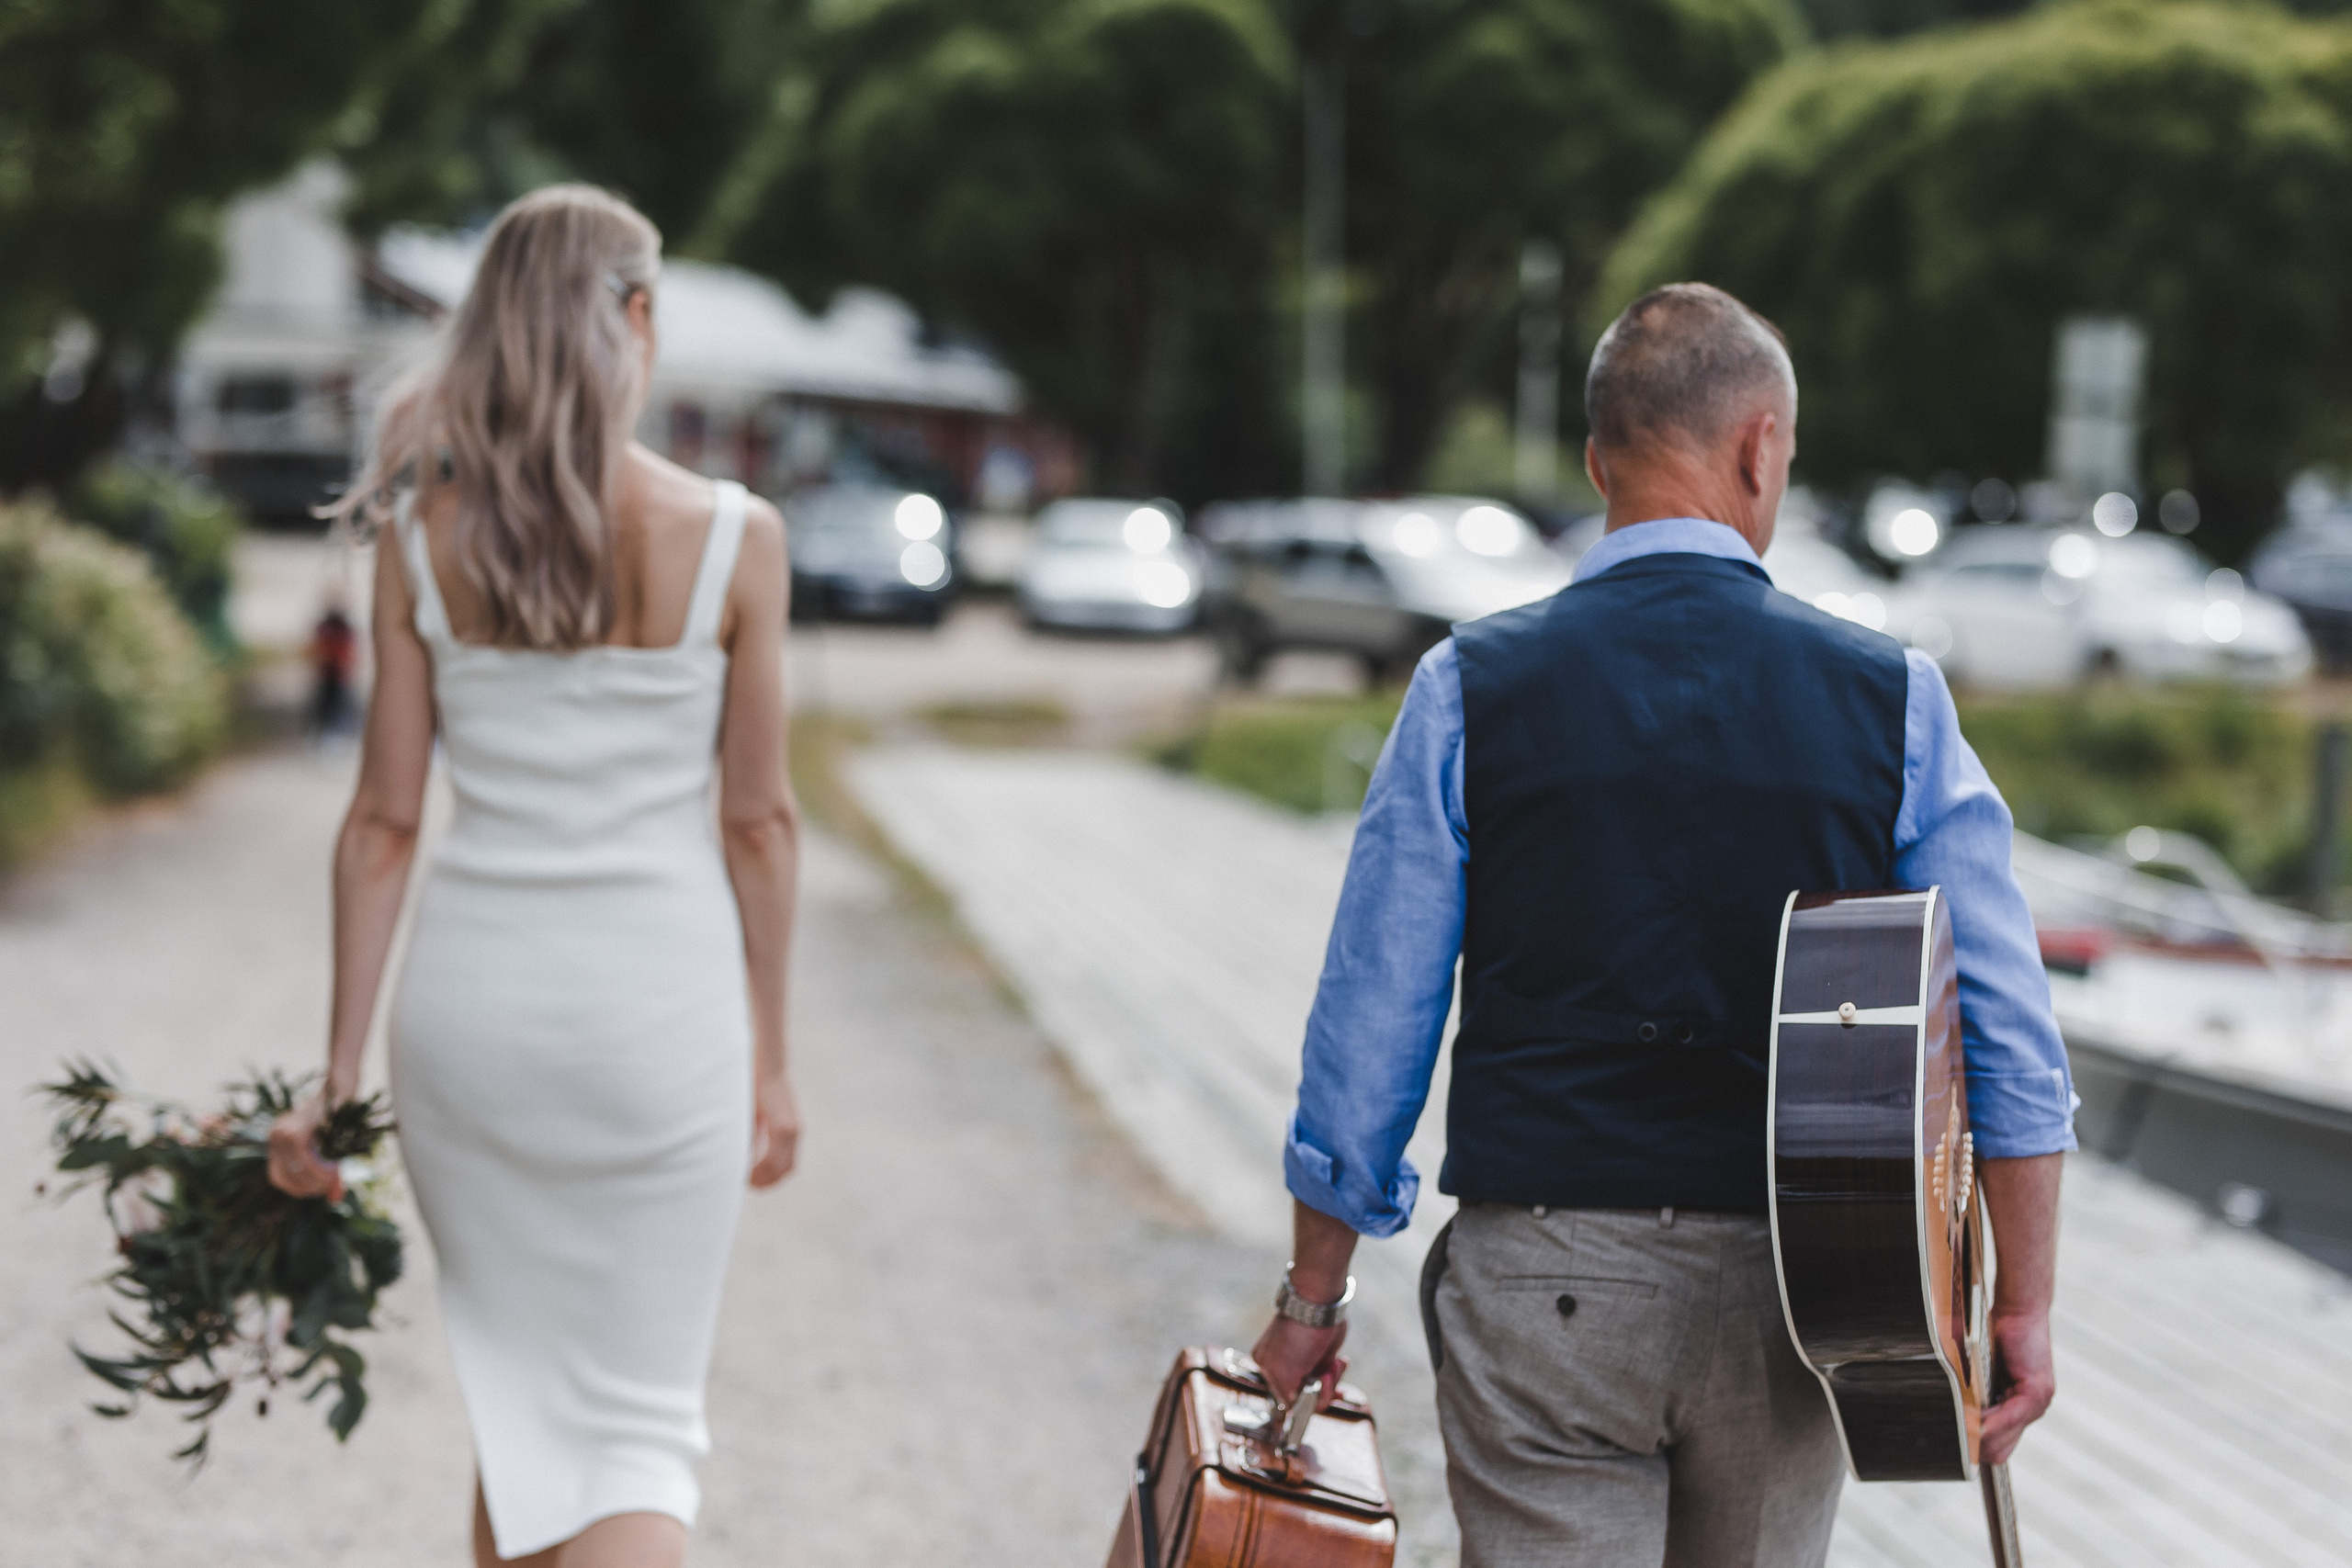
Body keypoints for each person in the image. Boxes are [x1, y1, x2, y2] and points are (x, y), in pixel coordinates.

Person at [1251, 283, 2075, 1565]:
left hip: (1544, 1276)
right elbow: (2008, 1034)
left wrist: (1313, 1294)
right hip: (1802, 1290)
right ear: (1760, 447)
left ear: (1596, 461)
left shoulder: (1470, 685)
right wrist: (2021, 1301)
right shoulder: (1893, 700)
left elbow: (1372, 1019)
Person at [266, 185, 801, 1568]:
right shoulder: (737, 538)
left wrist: (337, 1071)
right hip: (657, 1019)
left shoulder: (418, 534)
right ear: (634, 317)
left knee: (530, 1423)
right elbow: (761, 824)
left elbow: (382, 822)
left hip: (471, 1025)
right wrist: (776, 1055)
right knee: (627, 1427)